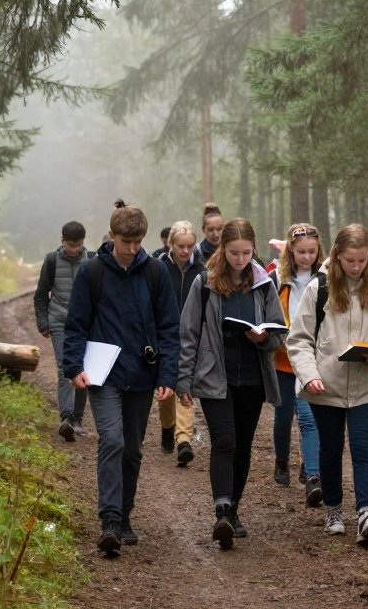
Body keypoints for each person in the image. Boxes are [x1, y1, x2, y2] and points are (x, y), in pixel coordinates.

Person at [61, 200, 180, 556]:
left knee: (132, 449)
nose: (131, 248)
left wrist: (168, 374)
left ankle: (125, 515)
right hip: (103, 375)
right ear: (111, 236)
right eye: (125, 241)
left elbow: (169, 327)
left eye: (138, 241)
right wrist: (73, 367)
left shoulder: (156, 273)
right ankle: (110, 520)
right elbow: (76, 324)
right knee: (111, 440)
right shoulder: (92, 272)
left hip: (142, 374)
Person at [287, 224, 368, 549]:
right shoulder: (318, 289)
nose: (356, 267)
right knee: (331, 448)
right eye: (350, 260)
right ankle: (334, 510)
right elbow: (299, 340)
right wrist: (309, 375)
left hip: (367, 386)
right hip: (326, 386)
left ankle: (367, 514)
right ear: (337, 255)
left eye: (362, 260)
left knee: (364, 449)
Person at [177, 218, 287, 550]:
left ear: (253, 250)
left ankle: (234, 509)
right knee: (224, 442)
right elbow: (188, 334)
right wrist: (184, 379)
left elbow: (278, 333)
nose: (240, 259)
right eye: (234, 253)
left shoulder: (264, 283)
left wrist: (264, 338)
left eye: (246, 253)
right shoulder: (205, 283)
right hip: (215, 376)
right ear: (223, 250)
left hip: (252, 379)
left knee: (242, 445)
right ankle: (222, 511)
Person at [269, 223, 323, 506]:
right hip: (282, 357)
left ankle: (313, 475)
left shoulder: (324, 278)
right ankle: (281, 461)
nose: (307, 257)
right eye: (301, 252)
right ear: (290, 251)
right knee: (283, 415)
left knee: (308, 417)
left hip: (311, 358)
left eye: (312, 251)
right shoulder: (277, 278)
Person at [33, 221, 94, 441]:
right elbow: (41, 295)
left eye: (78, 245)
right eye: (70, 245)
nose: (75, 250)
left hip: (86, 324)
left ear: (83, 242)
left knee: (83, 369)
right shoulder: (52, 260)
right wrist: (43, 323)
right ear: (62, 241)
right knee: (64, 369)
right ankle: (66, 418)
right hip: (59, 322)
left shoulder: (93, 261)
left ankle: (77, 419)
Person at [160, 220, 205, 466]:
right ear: (170, 244)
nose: (186, 251)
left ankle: (184, 440)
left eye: (190, 246)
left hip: (192, 336)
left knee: (185, 385)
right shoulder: (158, 268)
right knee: (166, 389)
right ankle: (167, 426)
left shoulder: (201, 270)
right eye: (181, 246)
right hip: (164, 336)